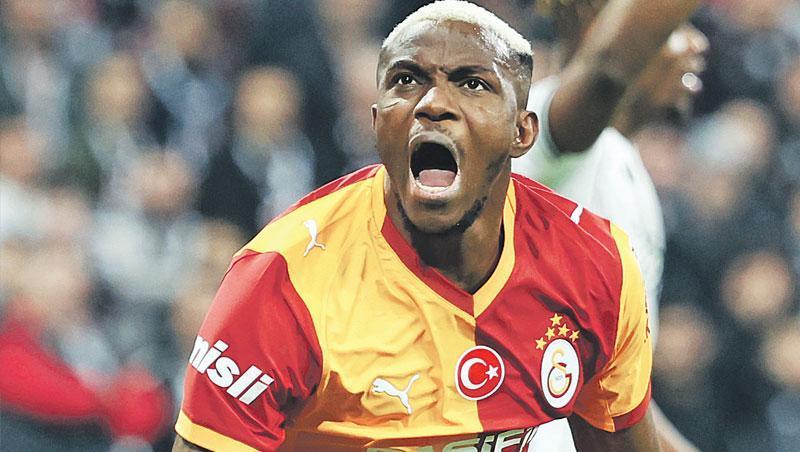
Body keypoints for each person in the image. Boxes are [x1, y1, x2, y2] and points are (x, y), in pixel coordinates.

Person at [174, 2, 657, 450]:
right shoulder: (283, 279)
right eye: (406, 80)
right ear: (376, 122)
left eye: (472, 83)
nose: (432, 104)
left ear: (522, 131)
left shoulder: (595, 264)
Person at [512, 0, 706, 450]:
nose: (696, 43)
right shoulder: (540, 127)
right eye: (676, 27)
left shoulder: (627, 165)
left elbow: (619, 401)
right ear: (594, 24)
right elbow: (606, 73)